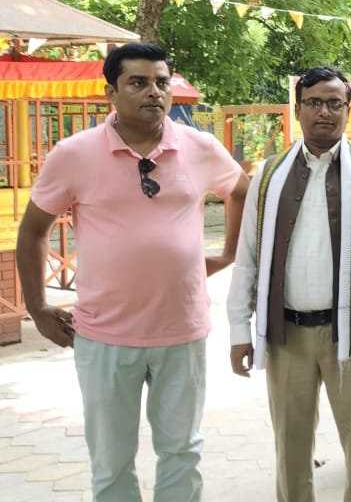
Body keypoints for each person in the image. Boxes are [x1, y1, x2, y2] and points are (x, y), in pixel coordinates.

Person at [16, 42, 249, 501]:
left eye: (161, 82)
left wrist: (227, 254)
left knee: (182, 451)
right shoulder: (74, 153)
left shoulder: (200, 147)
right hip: (104, 335)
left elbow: (240, 190)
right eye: (138, 82)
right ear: (112, 92)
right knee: (111, 460)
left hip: (182, 330)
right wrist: (39, 308)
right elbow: (33, 231)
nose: (153, 92)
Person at [227, 66, 351, 502]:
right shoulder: (269, 174)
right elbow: (248, 255)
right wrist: (239, 329)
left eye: (334, 103)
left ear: (347, 109)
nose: (325, 112)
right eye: (315, 103)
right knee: (290, 443)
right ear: (298, 108)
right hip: (286, 334)